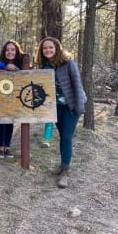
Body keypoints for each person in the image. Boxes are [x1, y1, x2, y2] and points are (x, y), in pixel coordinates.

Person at [36, 37, 86, 188]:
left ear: (57, 48)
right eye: (45, 48)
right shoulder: (43, 67)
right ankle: (62, 166)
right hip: (55, 108)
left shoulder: (68, 64)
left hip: (71, 107)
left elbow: (77, 85)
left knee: (66, 136)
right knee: (62, 136)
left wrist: (79, 107)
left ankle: (65, 172)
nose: (48, 50)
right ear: (41, 51)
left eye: (51, 47)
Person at [0, 40, 25, 158]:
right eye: (7, 50)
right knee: (1, 121)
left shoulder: (22, 63)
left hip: (15, 98)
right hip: (1, 97)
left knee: (10, 122)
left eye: (12, 50)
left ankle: (7, 147)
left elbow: (26, 75)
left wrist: (16, 69)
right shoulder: (0, 63)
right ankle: (0, 147)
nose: (10, 52)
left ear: (16, 51)